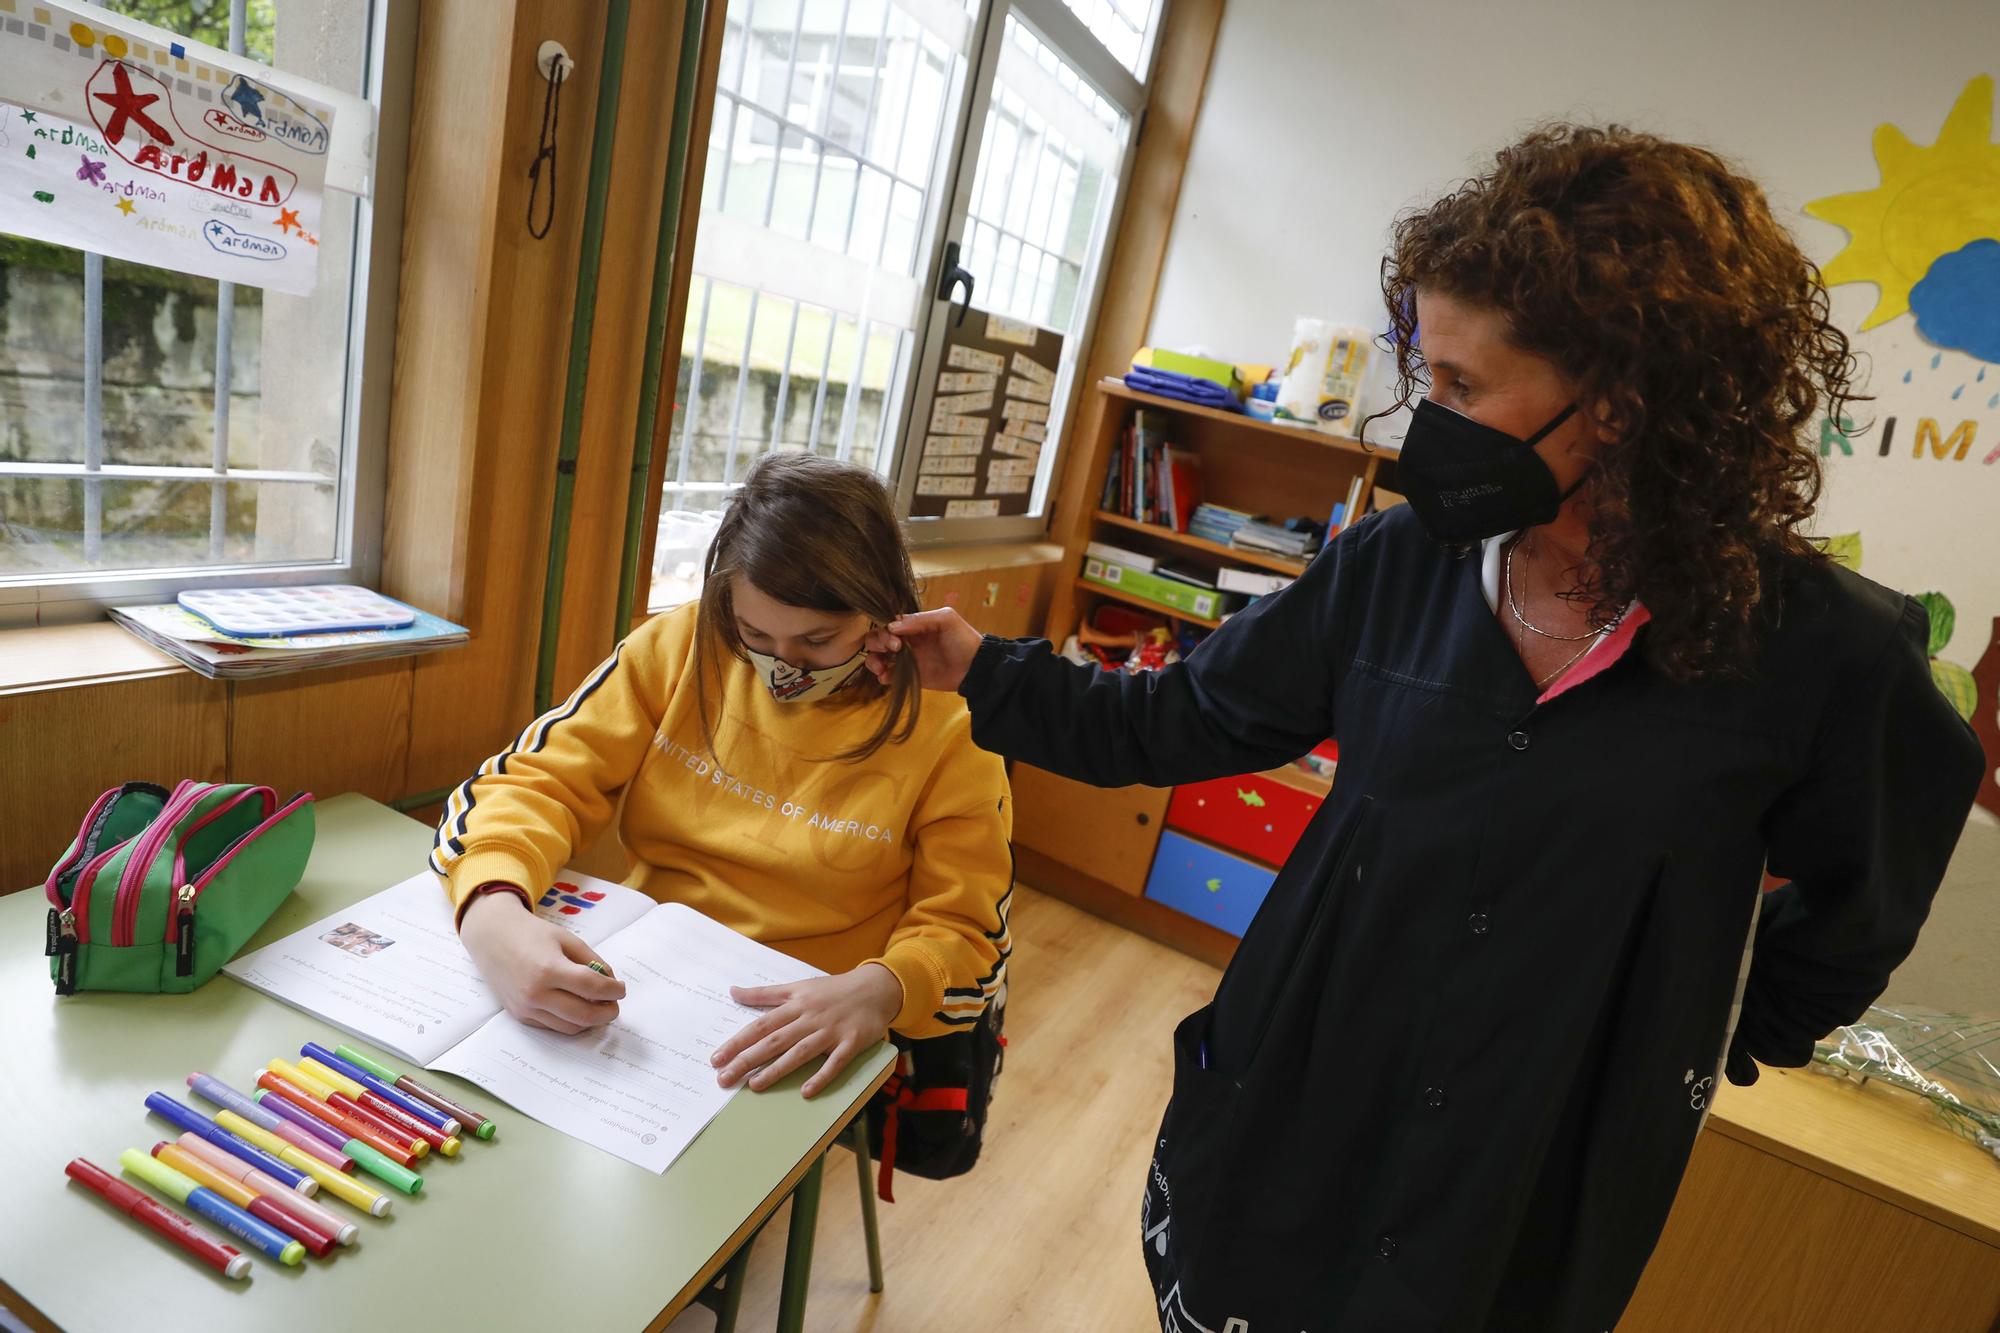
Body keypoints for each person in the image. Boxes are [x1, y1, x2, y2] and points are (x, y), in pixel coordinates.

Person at [871, 124, 1986, 1330]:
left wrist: (1698, 1015)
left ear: (1618, 401)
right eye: (1425, 378)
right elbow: (1184, 718)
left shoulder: (1820, 652)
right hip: (1301, 1100)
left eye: (1460, 387)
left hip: (1530, 1164)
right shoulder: (1398, 565)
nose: (1424, 421)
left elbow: (1857, 906)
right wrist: (981, 667)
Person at [433, 453, 1012, 1100]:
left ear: (885, 610)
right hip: (649, 979)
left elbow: (967, 930)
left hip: (807, 1019)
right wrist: (492, 911)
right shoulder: (685, 644)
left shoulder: (953, 724)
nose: (782, 664)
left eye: (819, 640)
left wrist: (888, 987)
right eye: (754, 632)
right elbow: (536, 780)